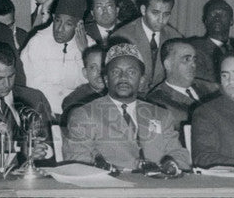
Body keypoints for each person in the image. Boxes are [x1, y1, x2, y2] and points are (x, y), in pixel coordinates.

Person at [62, 43, 189, 174]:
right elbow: (77, 161)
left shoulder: (161, 115)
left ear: (141, 80)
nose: (123, 77)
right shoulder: (85, 114)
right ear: (106, 79)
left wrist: (170, 164)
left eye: (131, 72)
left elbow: (180, 155)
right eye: (116, 72)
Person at [0, 41, 53, 162]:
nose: (7, 84)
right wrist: (22, 152)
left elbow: (52, 140)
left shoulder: (35, 98)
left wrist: (43, 150)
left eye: (11, 76)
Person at [19, 0, 88, 117]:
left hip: (78, 114)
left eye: (68, 24)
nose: (60, 29)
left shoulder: (90, 45)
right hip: (42, 112)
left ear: (79, 25)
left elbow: (91, 85)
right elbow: (32, 87)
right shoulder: (37, 42)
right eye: (57, 21)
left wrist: (85, 53)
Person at [113, 0, 181, 92]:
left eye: (166, 14)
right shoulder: (121, 36)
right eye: (155, 13)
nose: (161, 20)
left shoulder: (175, 38)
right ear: (143, 10)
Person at [145, 39, 218, 128]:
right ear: (168, 65)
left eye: (194, 59)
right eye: (186, 59)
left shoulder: (211, 88)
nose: (193, 65)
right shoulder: (156, 101)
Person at [61, 44, 107, 116]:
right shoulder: (74, 101)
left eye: (103, 66)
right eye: (93, 68)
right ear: (85, 73)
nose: (100, 72)